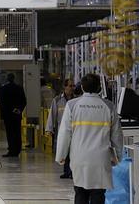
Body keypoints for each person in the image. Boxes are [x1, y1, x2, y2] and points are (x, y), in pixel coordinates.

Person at [56, 73, 123, 204]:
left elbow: (64, 133)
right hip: (101, 159)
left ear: (82, 88)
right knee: (98, 194)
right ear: (99, 88)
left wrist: (61, 156)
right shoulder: (109, 106)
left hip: (79, 158)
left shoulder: (72, 105)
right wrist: (118, 156)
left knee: (80, 192)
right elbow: (117, 135)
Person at [45, 79, 76, 179]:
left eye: (73, 86)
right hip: (62, 130)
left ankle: (72, 172)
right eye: (70, 86)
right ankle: (66, 172)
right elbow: (52, 114)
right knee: (64, 151)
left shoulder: (77, 100)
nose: (72, 88)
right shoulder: (57, 100)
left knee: (73, 152)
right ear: (65, 87)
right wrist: (49, 129)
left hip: (75, 130)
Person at [0, 73, 27, 157]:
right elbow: (24, 101)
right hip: (17, 115)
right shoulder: (19, 88)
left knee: (10, 133)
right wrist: (19, 110)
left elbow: (3, 103)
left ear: (7, 79)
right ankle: (18, 149)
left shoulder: (4, 89)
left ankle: (11, 150)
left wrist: (5, 113)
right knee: (17, 132)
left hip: (8, 115)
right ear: (14, 78)